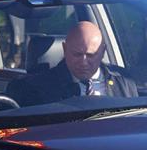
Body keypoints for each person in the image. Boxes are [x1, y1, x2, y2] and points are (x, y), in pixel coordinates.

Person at [7, 21, 138, 106]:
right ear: (64, 49)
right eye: (77, 54)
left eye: (91, 55)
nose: (84, 62)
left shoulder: (124, 81)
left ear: (102, 52)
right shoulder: (37, 88)